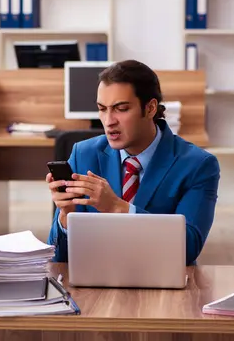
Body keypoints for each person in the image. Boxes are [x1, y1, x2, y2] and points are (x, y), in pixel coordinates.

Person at [46, 59, 220, 265]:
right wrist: (66, 216)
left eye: (121, 108)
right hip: (96, 282)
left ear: (150, 108)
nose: (109, 121)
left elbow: (188, 249)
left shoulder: (198, 165)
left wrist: (118, 208)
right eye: (102, 109)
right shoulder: (83, 154)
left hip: (161, 282)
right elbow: (58, 258)